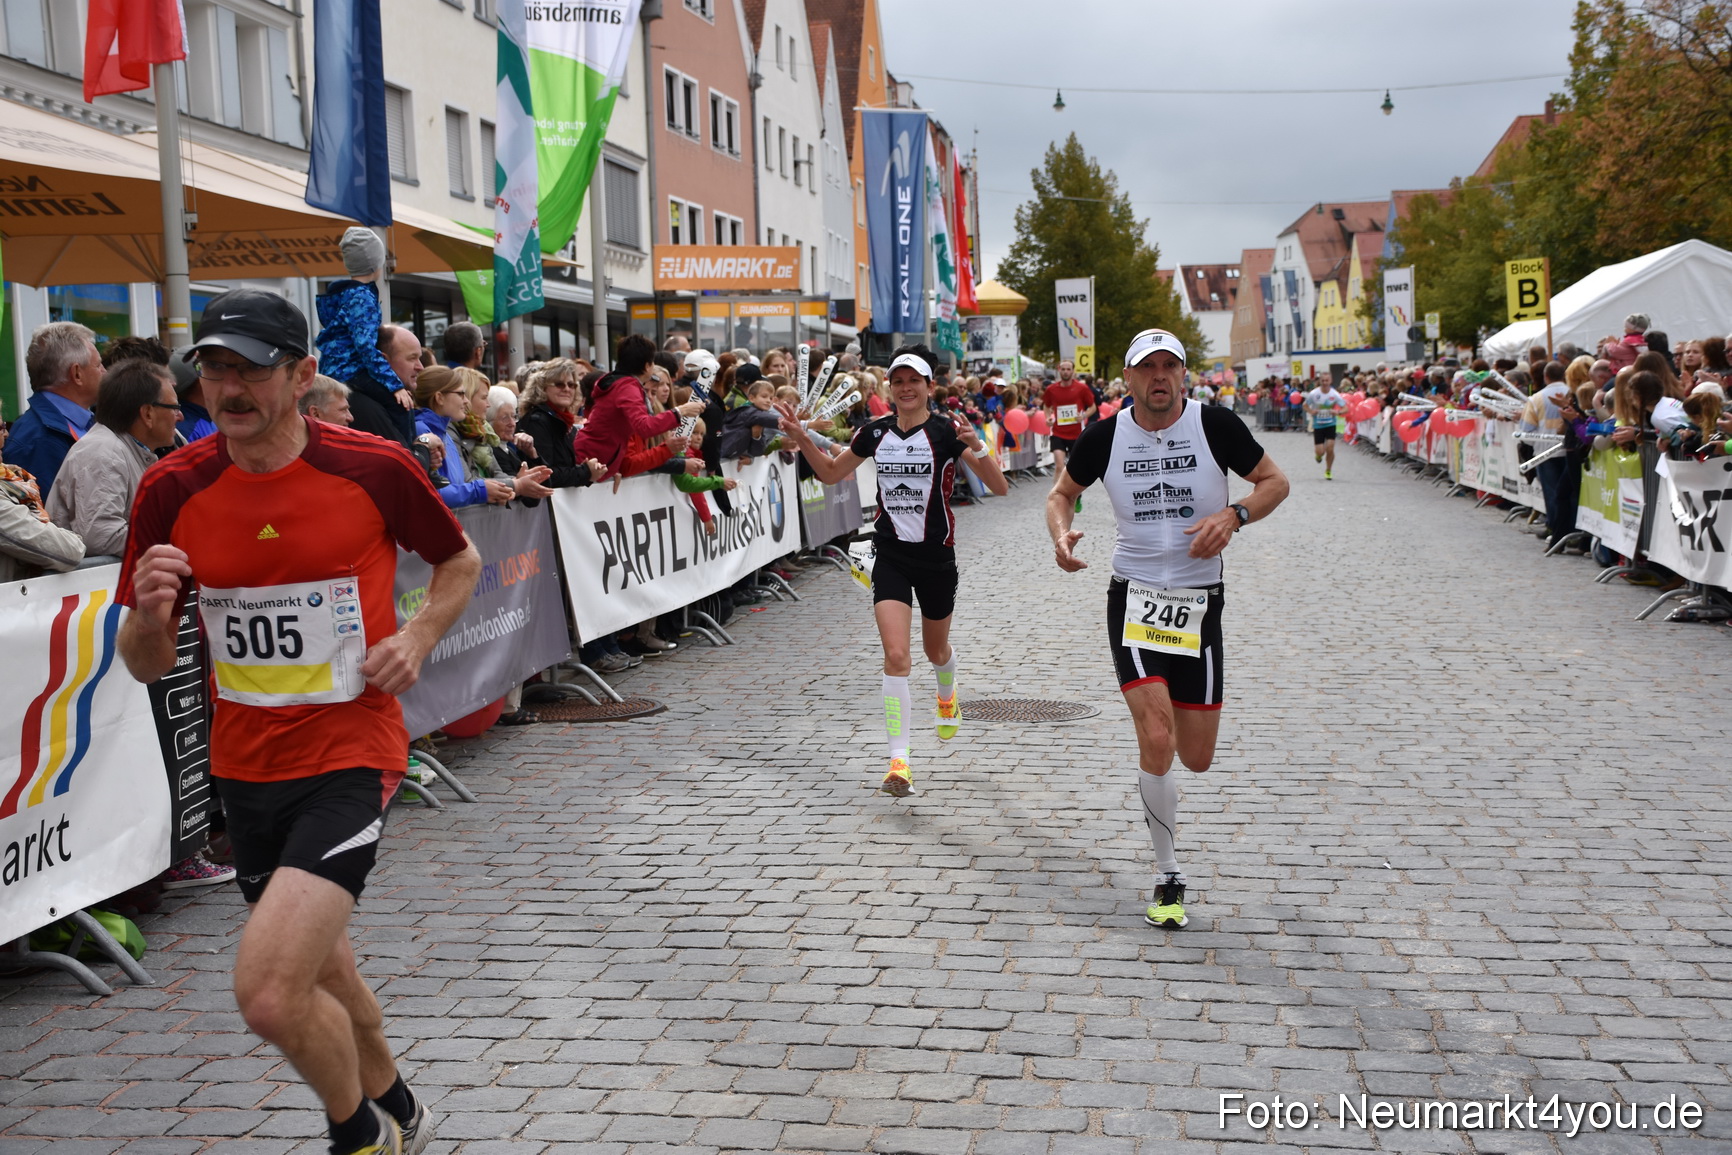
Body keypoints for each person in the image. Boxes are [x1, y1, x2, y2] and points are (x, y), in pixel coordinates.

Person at [115, 287, 481, 1155]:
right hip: (244, 766)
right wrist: (148, 614)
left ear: (303, 373)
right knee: (320, 962)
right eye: (212, 368)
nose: (228, 387)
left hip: (352, 750)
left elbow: (459, 559)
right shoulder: (170, 488)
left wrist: (419, 635)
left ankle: (360, 1135)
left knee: (272, 990)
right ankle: (401, 1103)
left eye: (251, 368)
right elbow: (145, 662)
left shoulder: (371, 466)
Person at [1045, 328, 1289, 931]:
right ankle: (1167, 871)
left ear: (1183, 374)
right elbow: (1061, 495)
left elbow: (1275, 483)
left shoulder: (1215, 426)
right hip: (1135, 597)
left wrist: (1234, 515)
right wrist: (1061, 533)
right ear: (1127, 379)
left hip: (1200, 602)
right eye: (1147, 368)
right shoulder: (1104, 436)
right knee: (1155, 733)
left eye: (1169, 367)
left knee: (1196, 756)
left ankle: (1168, 779)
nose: (1159, 377)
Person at [776, 343, 1008, 798]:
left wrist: (977, 445)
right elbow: (828, 474)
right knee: (897, 657)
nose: (905, 388)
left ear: (928, 386)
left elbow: (999, 487)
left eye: (914, 381)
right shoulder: (874, 432)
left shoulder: (946, 433)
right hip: (891, 557)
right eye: (898, 381)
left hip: (937, 558)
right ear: (890, 386)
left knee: (934, 650)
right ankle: (898, 762)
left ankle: (947, 691)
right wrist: (802, 437)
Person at [47, 359, 184, 558]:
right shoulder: (104, 453)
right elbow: (102, 537)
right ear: (147, 413)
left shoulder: (128, 448)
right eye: (173, 407)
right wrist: (180, 541)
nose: (179, 416)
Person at [570, 335, 703, 474]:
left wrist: (613, 470)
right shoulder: (628, 387)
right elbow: (644, 426)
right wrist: (681, 411)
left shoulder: (618, 383)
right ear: (647, 366)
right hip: (589, 461)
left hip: (592, 460)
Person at [7, 321, 105, 497]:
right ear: (77, 374)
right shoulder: (36, 441)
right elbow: (48, 518)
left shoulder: (86, 423)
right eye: (98, 365)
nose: (104, 372)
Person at [1041, 359, 1096, 479]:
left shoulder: (1082, 388)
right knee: (1059, 466)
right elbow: (1046, 406)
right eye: (1063, 369)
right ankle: (1056, 497)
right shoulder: (1051, 389)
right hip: (1057, 432)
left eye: (1068, 369)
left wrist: (1084, 415)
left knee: (1076, 467)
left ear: (1073, 371)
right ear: (1059, 370)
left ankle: (1076, 495)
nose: (1065, 372)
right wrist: (1048, 417)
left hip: (1076, 433)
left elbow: (1093, 407)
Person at [1304, 376, 1348, 478]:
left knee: (1330, 447)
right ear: (1320, 381)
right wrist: (1311, 411)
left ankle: (1328, 470)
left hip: (1330, 424)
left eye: (1327, 380)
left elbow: (1345, 408)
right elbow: (1305, 405)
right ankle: (1318, 455)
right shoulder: (1314, 394)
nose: (1324, 383)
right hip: (1318, 425)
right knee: (1320, 451)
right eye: (1323, 381)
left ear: (1330, 381)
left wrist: (1337, 412)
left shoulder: (1334, 394)